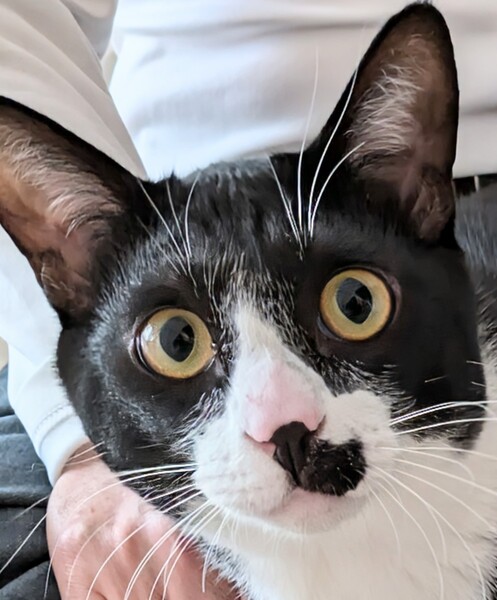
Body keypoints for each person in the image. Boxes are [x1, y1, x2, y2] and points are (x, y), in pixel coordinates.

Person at [0, 0, 496, 598]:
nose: (282, 423)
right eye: (178, 345)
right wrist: (76, 449)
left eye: (354, 306)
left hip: (384, 203)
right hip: (160, 220)